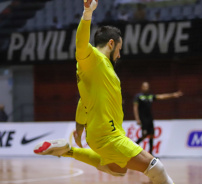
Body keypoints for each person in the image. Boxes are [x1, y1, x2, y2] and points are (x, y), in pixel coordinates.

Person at [33, 0, 174, 183]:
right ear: (111, 43)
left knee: (117, 169)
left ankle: (68, 150)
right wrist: (87, 14)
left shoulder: (101, 69)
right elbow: (81, 45)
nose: (119, 54)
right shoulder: (94, 59)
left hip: (103, 133)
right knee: (155, 166)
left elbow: (84, 101)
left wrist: (79, 126)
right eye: (119, 49)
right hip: (107, 134)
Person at [134, 82, 183, 155]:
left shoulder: (150, 96)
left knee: (151, 135)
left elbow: (161, 96)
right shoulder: (138, 96)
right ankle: (134, 146)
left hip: (150, 118)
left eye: (147, 86)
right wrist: (137, 119)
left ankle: (151, 153)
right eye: (144, 86)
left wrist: (173, 95)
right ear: (141, 87)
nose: (146, 88)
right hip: (143, 119)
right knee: (144, 134)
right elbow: (135, 108)